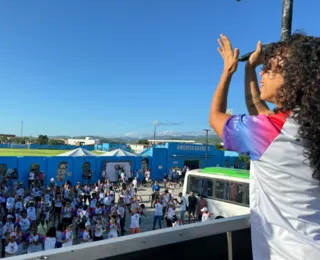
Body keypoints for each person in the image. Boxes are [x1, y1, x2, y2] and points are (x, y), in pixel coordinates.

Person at [209, 33, 320, 259]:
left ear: (295, 78)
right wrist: (250, 67)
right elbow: (255, 106)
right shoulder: (306, 126)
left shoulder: (272, 131)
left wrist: (228, 71)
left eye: (270, 68)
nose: (263, 72)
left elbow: (215, 117)